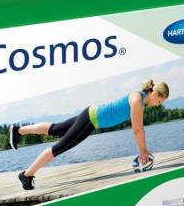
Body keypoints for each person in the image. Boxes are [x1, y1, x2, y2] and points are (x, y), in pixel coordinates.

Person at [9, 79, 169, 190]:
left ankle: (18, 131)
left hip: (90, 116)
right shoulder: (137, 100)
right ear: (156, 94)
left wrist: (143, 150)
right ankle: (26, 175)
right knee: (59, 147)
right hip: (91, 120)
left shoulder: (138, 97)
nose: (157, 105)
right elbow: (138, 129)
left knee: (56, 129)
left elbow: (138, 129)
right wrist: (143, 152)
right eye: (160, 102)